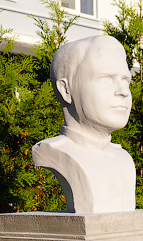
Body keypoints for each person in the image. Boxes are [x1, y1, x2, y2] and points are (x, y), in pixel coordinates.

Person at [32, 35, 137, 214]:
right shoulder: (54, 151)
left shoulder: (124, 159)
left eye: (125, 80)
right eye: (106, 79)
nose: (123, 92)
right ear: (66, 90)